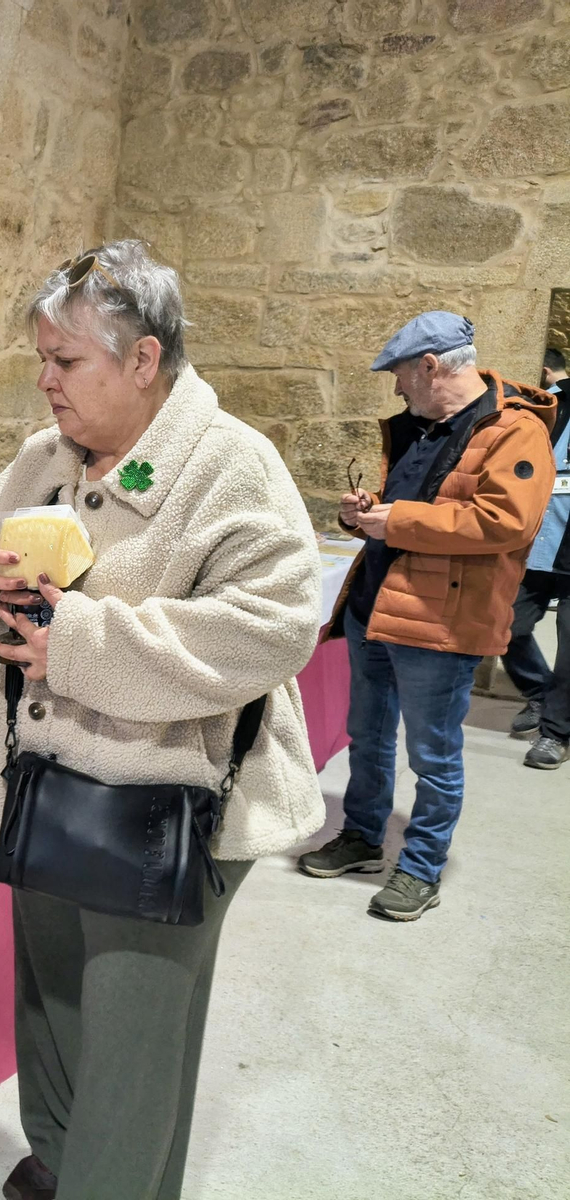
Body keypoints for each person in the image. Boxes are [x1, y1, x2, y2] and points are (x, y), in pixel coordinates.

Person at [0, 240, 323, 1200]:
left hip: (166, 807)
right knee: (52, 1006)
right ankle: (59, 1163)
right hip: (43, 784)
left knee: (134, 1049)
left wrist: (78, 640)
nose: (45, 381)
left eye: (66, 360)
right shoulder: (43, 457)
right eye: (43, 358)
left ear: (144, 359)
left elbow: (273, 629)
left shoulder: (231, 465)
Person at [302, 313, 554, 918]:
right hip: (376, 608)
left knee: (433, 756)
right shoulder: (423, 425)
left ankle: (420, 868)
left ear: (431, 366)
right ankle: (363, 836)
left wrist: (397, 520)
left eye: (399, 374)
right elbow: (414, 505)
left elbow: (506, 522)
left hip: (441, 623)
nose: (396, 388)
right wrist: (366, 513)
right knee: (367, 736)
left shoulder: (516, 431)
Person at [500, 349, 570, 766]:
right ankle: (540, 695)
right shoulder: (549, 406)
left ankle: (556, 734)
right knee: (507, 627)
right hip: (539, 545)